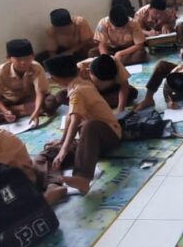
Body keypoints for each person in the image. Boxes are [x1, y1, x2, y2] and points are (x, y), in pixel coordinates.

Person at [41, 54, 122, 194]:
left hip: (108, 135)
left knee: (89, 125)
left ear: (54, 79)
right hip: (86, 141)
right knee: (47, 154)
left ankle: (82, 178)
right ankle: (53, 185)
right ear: (78, 70)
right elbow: (70, 117)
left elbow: (75, 120)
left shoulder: (79, 89)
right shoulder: (76, 86)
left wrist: (64, 149)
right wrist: (61, 142)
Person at [0, 39, 57, 126]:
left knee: (51, 102)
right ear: (8, 59)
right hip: (11, 100)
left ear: (32, 57)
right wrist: (5, 112)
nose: (23, 63)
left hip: (31, 98)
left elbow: (40, 92)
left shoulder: (36, 67)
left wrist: (36, 111)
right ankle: (14, 111)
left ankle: (16, 111)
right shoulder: (0, 71)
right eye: (18, 59)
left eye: (27, 58)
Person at [71, 55, 138, 110]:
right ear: (89, 71)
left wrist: (121, 108)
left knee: (131, 92)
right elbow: (76, 96)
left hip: (111, 90)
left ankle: (103, 104)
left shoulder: (112, 61)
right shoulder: (78, 71)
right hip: (94, 94)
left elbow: (124, 84)